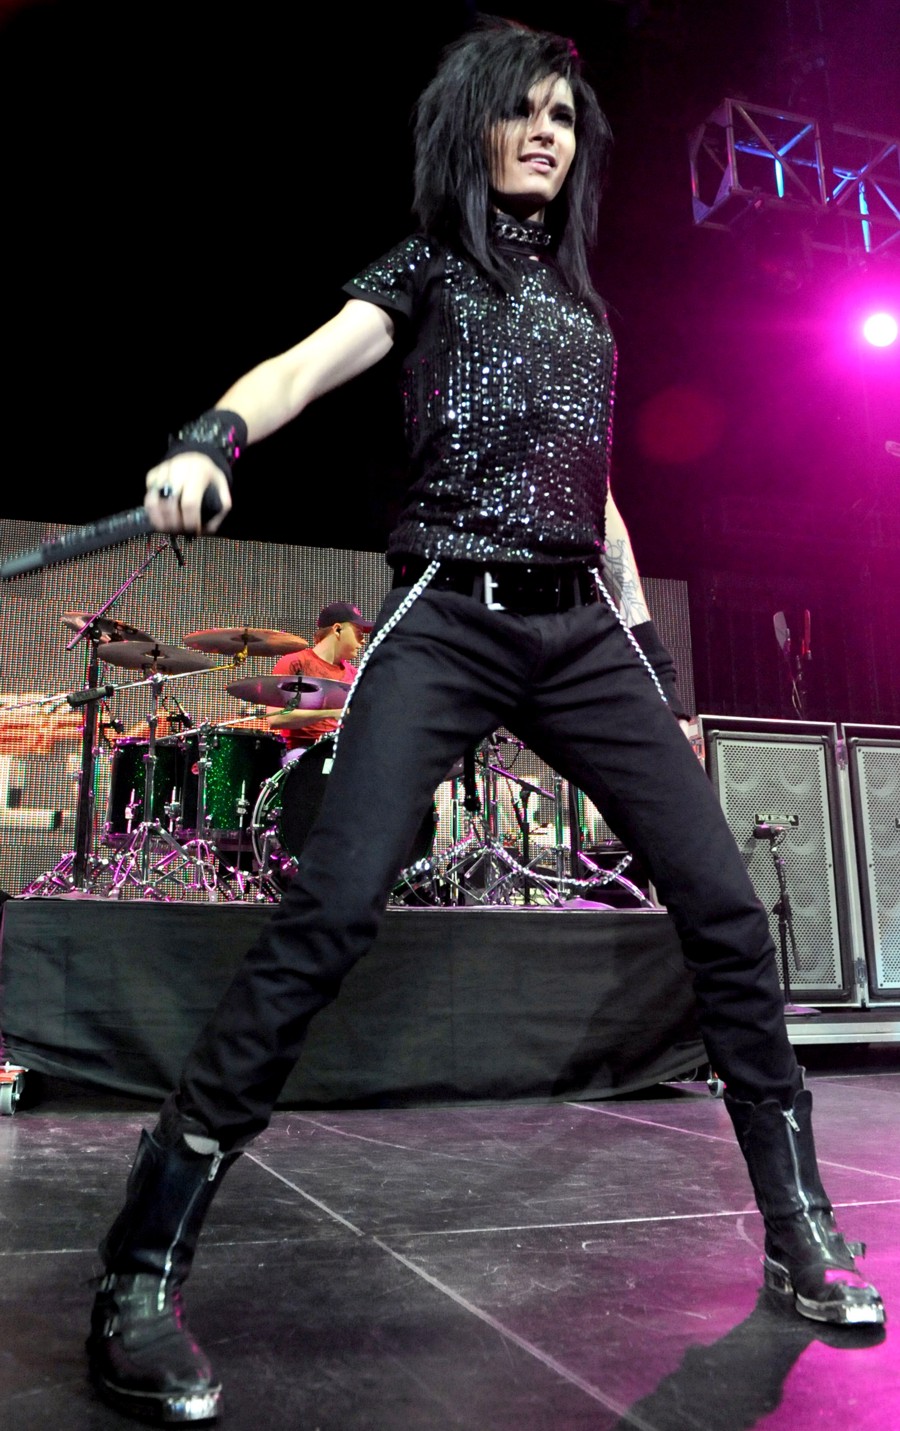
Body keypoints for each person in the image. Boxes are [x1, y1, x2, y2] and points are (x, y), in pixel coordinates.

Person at [86, 19, 884, 1425]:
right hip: (448, 611)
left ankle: (801, 1226)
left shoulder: (583, 308)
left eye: (566, 118)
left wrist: (649, 661)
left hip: (583, 627)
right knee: (333, 910)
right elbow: (301, 365)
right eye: (524, 112)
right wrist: (212, 438)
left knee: (724, 905)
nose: (547, 135)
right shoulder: (426, 270)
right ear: (475, 127)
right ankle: (141, 1265)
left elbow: (595, 490)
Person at [265, 601, 372, 756]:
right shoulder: (295, 663)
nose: (363, 640)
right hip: (300, 753)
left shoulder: (355, 675)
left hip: (340, 751)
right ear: (337, 629)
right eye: (358, 632)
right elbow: (275, 718)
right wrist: (331, 713)